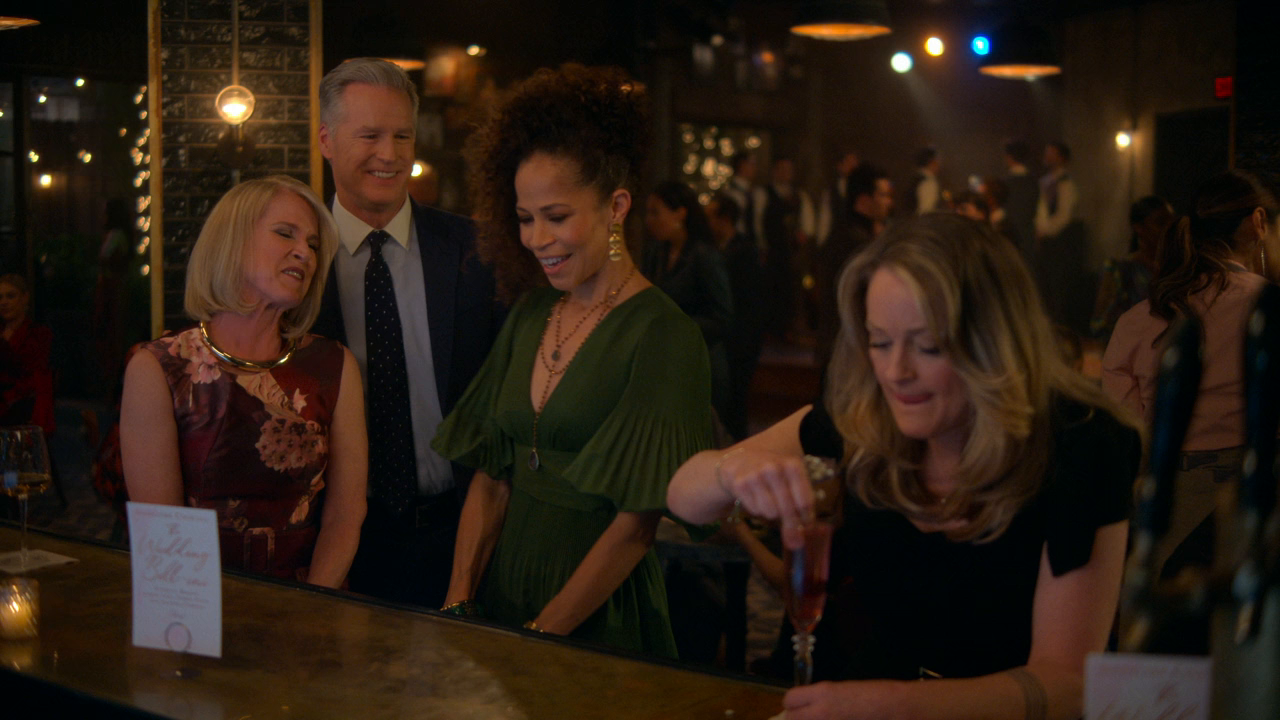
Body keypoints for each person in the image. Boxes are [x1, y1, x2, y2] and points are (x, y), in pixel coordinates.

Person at [668, 214, 1140, 719]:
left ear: (994, 342)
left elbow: (1066, 683)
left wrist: (896, 703)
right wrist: (729, 472)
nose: (896, 372)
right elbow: (681, 498)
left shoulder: (1080, 444)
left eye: (928, 345)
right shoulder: (863, 416)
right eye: (879, 341)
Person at [432, 64, 715, 657]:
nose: (537, 239)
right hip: (500, 602)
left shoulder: (665, 334)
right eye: (525, 218)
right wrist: (459, 604)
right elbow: (492, 475)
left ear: (616, 206)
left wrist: (542, 636)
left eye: (556, 217)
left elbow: (635, 526)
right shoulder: (530, 313)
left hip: (597, 621)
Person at [311, 58, 503, 608]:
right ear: (326, 141)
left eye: (401, 136)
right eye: (369, 135)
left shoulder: (476, 252)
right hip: (336, 542)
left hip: (462, 535)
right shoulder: (298, 261)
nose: (390, 154)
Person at [120, 176, 367, 588]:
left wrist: (313, 605)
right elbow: (163, 531)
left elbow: (346, 515)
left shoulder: (332, 364)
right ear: (231, 242)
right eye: (285, 233)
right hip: (195, 599)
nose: (303, 252)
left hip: (312, 599)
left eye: (312, 245)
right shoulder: (158, 368)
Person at [1103, 171, 1278, 600]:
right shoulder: (1270, 310)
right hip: (1258, 497)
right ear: (1258, 222)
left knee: (1163, 622)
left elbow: (1127, 430)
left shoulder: (1139, 320)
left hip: (1168, 503)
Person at [643, 180, 734, 428]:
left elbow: (723, 318)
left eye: (656, 212)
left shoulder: (704, 256)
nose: (649, 220)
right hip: (668, 363)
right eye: (648, 213)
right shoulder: (656, 254)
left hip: (700, 364)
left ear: (680, 214)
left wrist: (674, 326)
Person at [814, 163, 891, 371]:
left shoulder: (849, 234)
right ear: (864, 200)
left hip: (842, 347)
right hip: (847, 351)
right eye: (883, 195)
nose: (889, 202)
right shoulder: (856, 243)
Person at [707, 193, 766, 440]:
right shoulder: (714, 249)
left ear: (725, 219)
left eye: (711, 216)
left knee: (736, 403)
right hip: (727, 339)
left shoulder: (744, 252)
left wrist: (744, 341)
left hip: (741, 340)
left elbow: (750, 302)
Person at [1090, 196, 1175, 344]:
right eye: (1160, 222)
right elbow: (1101, 325)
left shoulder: (1178, 269)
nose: (1168, 229)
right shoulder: (1120, 270)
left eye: (1172, 223)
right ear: (1139, 228)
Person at [1034, 141, 1087, 330]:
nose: (1047, 157)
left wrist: (1045, 231)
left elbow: (1064, 216)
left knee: (1058, 286)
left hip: (1060, 243)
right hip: (1046, 242)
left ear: (1062, 158)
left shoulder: (1065, 183)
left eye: (1052, 153)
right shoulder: (1045, 181)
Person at [0, 274, 55, 436]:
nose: (4, 302)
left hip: (24, 414)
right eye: (0, 297)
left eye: (10, 296)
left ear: (24, 298)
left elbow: (31, 374)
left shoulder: (38, 335)